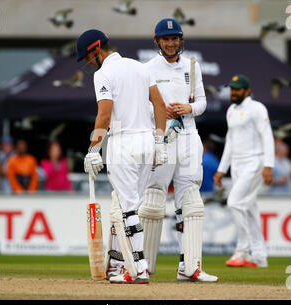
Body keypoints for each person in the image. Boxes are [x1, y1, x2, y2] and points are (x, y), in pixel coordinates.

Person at [78, 29, 167, 284]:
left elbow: (104, 115)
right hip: (147, 141)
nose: (86, 62)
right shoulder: (140, 67)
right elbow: (159, 105)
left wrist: (93, 149)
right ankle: (117, 263)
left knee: (127, 208)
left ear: (96, 50)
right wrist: (159, 142)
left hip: (122, 144)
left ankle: (138, 268)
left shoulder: (103, 74)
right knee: (128, 205)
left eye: (86, 56)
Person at [137, 18, 217, 282]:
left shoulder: (193, 67)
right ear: (157, 41)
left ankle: (190, 266)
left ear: (180, 40)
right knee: (153, 198)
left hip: (189, 137)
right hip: (161, 137)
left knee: (191, 200)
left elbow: (203, 101)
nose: (170, 43)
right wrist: (161, 109)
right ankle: (143, 266)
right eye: (165, 39)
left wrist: (189, 108)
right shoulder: (147, 68)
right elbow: (142, 106)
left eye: (174, 38)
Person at [213, 74, 274, 268]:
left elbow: (267, 136)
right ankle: (259, 256)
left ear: (247, 91)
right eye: (232, 89)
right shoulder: (231, 110)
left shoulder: (257, 108)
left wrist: (268, 165)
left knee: (234, 203)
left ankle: (242, 251)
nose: (234, 92)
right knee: (249, 209)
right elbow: (230, 142)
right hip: (238, 165)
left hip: (254, 162)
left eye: (237, 89)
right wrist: (222, 169)